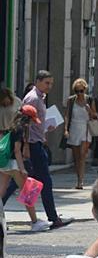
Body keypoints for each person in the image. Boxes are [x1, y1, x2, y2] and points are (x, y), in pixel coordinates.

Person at [2, 72, 71, 229]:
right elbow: (26, 124)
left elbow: (34, 123)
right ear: (38, 82)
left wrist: (45, 128)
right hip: (32, 146)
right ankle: (51, 218)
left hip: (35, 144)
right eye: (47, 83)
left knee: (24, 182)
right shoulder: (33, 98)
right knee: (43, 181)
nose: (49, 86)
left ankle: (39, 219)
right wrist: (27, 145)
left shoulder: (40, 98)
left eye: (51, 83)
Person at [0, 98, 45, 230]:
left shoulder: (11, 126)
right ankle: (35, 222)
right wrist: (22, 168)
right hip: (14, 165)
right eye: (32, 120)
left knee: (1, 193)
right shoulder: (20, 129)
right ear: (28, 119)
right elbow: (17, 151)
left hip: (4, 164)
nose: (32, 123)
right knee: (28, 194)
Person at [64, 79, 98, 189]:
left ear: (85, 89)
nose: (79, 93)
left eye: (81, 91)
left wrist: (90, 111)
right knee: (76, 156)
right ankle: (78, 176)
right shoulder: (71, 101)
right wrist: (66, 129)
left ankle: (80, 181)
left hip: (85, 128)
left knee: (82, 155)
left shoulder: (89, 100)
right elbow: (67, 116)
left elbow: (95, 116)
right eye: (77, 91)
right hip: (74, 127)